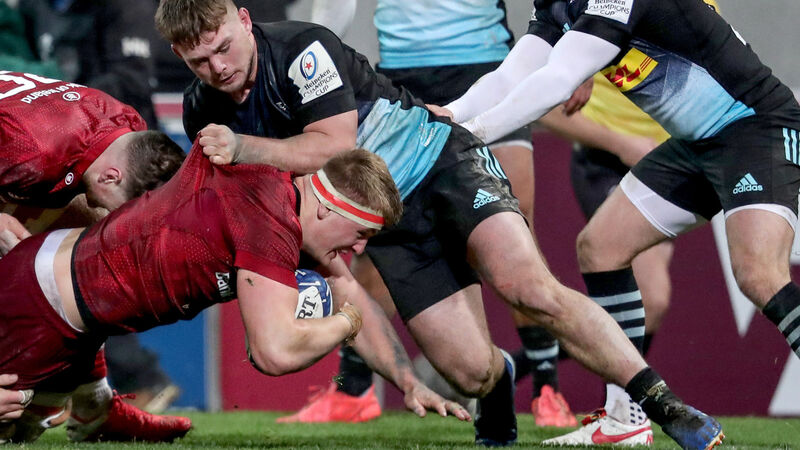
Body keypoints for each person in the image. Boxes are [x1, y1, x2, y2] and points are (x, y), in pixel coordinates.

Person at [155, 1, 723, 447]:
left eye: (224, 47)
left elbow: (335, 146)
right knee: (470, 374)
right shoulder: (205, 107)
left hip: (442, 165)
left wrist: (243, 145)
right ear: (180, 55)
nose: (218, 68)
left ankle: (664, 405)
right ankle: (500, 384)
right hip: (389, 229)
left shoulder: (302, 48)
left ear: (244, 20)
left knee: (529, 287)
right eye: (200, 62)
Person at [440, 0, 797, 446]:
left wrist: (472, 134)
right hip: (696, 144)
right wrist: (451, 115)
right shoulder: (557, 3)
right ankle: (625, 417)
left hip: (755, 126)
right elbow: (512, 75)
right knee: (601, 248)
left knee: (760, 275)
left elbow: (558, 80)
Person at [0, 144, 469, 443]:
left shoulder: (285, 200)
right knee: (11, 426)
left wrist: (408, 383)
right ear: (328, 209)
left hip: (71, 304)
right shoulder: (271, 224)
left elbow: (348, 289)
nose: (360, 248)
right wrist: (347, 323)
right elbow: (273, 353)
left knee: (33, 426)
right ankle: (88, 408)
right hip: (41, 304)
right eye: (362, 232)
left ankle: (95, 409)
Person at [299, 0, 578, 427]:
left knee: (517, 227)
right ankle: (353, 390)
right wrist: (310, 64)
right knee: (375, 229)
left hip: (482, 66)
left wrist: (576, 49)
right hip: (402, 74)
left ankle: (547, 388)